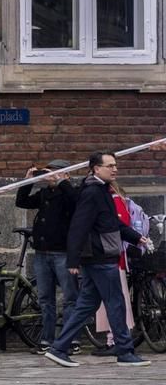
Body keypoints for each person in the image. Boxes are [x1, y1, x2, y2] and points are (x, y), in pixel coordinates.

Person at [45, 152, 153, 368]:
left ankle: (59, 348)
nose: (115, 169)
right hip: (100, 257)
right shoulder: (93, 192)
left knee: (86, 305)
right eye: (109, 166)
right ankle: (125, 351)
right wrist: (72, 260)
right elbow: (79, 225)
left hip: (99, 256)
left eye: (115, 165)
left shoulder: (102, 190)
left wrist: (136, 237)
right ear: (96, 168)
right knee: (116, 302)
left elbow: (112, 223)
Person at [15, 159, 79, 354]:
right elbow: (22, 202)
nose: (50, 175)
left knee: (70, 298)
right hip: (42, 253)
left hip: (62, 253)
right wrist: (27, 182)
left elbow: (75, 202)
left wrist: (62, 181)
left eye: (56, 172)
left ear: (67, 174)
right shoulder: (44, 194)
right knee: (45, 298)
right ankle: (47, 339)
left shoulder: (70, 192)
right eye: (49, 172)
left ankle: (70, 340)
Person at [90, 181, 137, 356]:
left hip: (111, 257)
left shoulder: (113, 199)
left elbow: (119, 224)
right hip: (107, 257)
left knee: (114, 300)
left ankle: (116, 339)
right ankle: (113, 339)